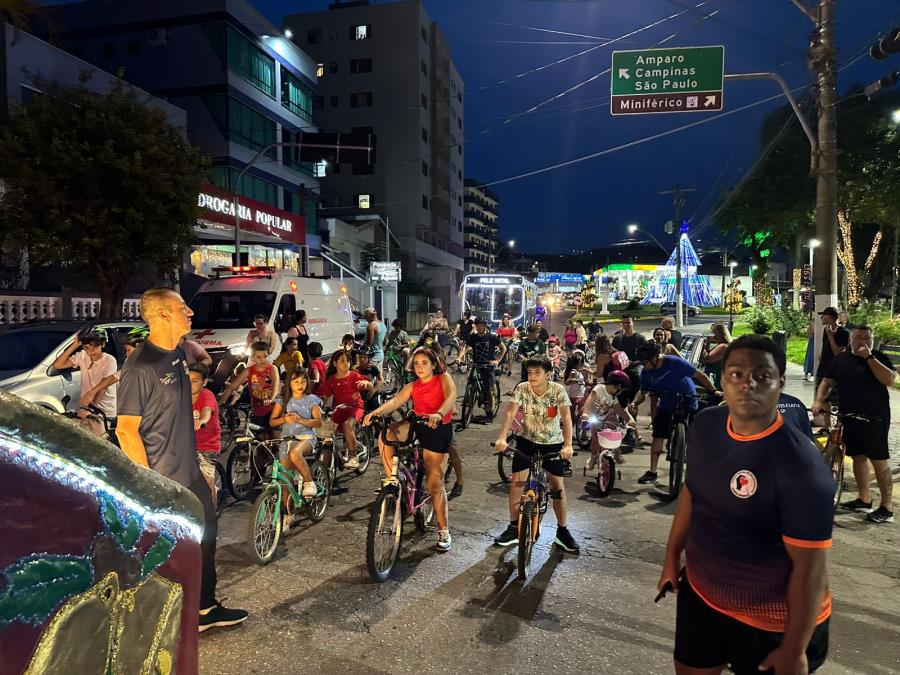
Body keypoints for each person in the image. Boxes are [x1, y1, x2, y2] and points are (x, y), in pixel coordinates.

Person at [658, 335, 834, 675]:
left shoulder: (802, 468)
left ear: (780, 383)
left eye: (762, 375)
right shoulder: (707, 425)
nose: (747, 384)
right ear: (722, 380)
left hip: (774, 622)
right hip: (702, 594)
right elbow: (693, 494)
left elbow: (811, 570)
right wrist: (670, 559)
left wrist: (795, 648)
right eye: (736, 374)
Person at [116, 288, 247, 631]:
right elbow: (126, 431)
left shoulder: (175, 353)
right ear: (161, 314)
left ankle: (204, 607)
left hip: (188, 472)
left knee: (206, 536)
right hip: (163, 479)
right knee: (165, 549)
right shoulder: (139, 367)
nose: (190, 312)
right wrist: (148, 485)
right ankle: (153, 620)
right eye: (182, 307)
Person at [364, 347, 457, 552]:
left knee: (434, 484)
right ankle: (391, 479)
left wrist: (439, 414)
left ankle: (443, 530)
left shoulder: (443, 379)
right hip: (417, 424)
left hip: (437, 427)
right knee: (386, 434)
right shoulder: (413, 385)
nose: (420, 367)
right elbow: (396, 401)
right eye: (416, 363)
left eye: (424, 363)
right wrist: (375, 413)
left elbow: (450, 398)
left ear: (433, 365)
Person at [493, 355, 579, 553]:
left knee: (557, 486)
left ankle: (562, 532)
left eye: (537, 372)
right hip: (527, 440)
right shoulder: (522, 388)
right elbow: (510, 413)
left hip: (552, 443)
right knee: (517, 483)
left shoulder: (557, 390)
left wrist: (567, 445)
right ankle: (514, 527)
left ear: (548, 374)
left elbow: (566, 418)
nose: (532, 376)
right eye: (530, 372)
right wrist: (502, 437)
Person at [813, 324, 895, 524]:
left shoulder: (878, 357)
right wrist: (818, 400)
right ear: (850, 339)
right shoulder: (841, 360)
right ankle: (864, 498)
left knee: (879, 461)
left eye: (867, 337)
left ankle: (886, 507)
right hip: (849, 415)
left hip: (875, 417)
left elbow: (889, 379)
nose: (863, 341)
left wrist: (868, 356)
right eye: (858, 337)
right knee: (858, 457)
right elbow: (827, 381)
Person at [630, 341, 719, 485]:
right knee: (658, 434)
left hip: (688, 399)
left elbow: (699, 375)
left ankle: (697, 471)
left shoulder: (674, 362)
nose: (643, 365)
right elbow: (642, 392)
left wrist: (713, 390)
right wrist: (635, 403)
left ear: (654, 358)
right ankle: (652, 471)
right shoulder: (646, 373)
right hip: (667, 403)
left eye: (644, 362)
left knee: (696, 436)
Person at [269, 369, 322, 505]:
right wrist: (284, 419)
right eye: (296, 381)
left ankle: (309, 483)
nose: (300, 384)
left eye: (303, 381)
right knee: (286, 480)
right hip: (287, 439)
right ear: (289, 383)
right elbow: (272, 421)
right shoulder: (283, 400)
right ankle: (287, 514)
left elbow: (317, 422)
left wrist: (300, 420)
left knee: (295, 453)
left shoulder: (311, 400)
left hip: (306, 437)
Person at [53, 326, 118, 436]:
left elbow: (104, 385)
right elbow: (58, 365)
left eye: (96, 346)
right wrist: (74, 345)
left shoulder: (109, 360)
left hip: (104, 411)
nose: (91, 351)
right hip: (87, 409)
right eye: (87, 347)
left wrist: (90, 406)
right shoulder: (82, 356)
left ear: (103, 344)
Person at [318, 349, 374, 470]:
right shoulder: (331, 380)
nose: (346, 363)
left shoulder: (354, 376)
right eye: (342, 361)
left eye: (348, 361)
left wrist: (366, 383)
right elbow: (324, 397)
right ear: (334, 364)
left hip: (355, 408)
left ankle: (353, 456)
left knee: (347, 425)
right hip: (338, 410)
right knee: (325, 433)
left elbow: (370, 385)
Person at [581, 370, 639, 470]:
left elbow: (619, 410)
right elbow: (589, 400)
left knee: (614, 431)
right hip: (595, 416)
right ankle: (593, 457)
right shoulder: (599, 388)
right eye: (621, 390)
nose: (620, 392)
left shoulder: (613, 398)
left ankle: (616, 451)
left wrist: (629, 420)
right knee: (595, 437)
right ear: (617, 385)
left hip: (606, 417)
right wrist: (585, 413)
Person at [218, 342, 280, 435]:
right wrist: (221, 403)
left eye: (265, 356)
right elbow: (232, 387)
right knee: (260, 439)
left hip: (274, 408)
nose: (262, 359)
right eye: (258, 357)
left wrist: (271, 399)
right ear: (252, 357)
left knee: (275, 437)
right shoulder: (249, 370)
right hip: (258, 408)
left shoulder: (272, 368)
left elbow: (276, 384)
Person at [189, 363, 222, 506]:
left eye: (194, 381)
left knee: (207, 482)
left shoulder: (206, 395)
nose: (190, 384)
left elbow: (207, 411)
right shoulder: (181, 396)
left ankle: (210, 514)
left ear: (204, 382)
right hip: (186, 444)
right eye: (187, 380)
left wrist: (201, 421)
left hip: (207, 445)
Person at [465, 317, 506, 417]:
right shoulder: (473, 337)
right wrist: (459, 358)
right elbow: (465, 349)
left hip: (487, 366)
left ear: (485, 326)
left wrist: (497, 360)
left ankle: (490, 413)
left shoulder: (491, 337)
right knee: (470, 383)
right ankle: (469, 403)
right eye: (477, 325)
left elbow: (503, 348)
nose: (479, 327)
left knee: (489, 390)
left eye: (481, 325)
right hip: (476, 365)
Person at [814, 306, 849, 409]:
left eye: (823, 316)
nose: (821, 318)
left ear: (830, 317)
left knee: (838, 399)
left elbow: (838, 352)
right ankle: (827, 424)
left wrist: (831, 336)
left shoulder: (843, 332)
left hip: (836, 370)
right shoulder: (826, 330)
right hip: (823, 368)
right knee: (823, 398)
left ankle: (840, 423)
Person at [612, 314, 647, 409]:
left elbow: (645, 358)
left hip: (635, 374)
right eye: (624, 323)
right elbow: (613, 355)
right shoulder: (617, 338)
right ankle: (622, 421)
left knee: (633, 402)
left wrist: (635, 362)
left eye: (628, 322)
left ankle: (632, 420)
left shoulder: (641, 338)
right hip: (621, 374)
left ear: (633, 323)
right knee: (620, 401)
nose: (626, 325)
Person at [699, 322, 733, 390]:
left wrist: (707, 344)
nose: (711, 335)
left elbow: (708, 359)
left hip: (718, 381)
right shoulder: (723, 345)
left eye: (712, 333)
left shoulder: (723, 346)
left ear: (719, 334)